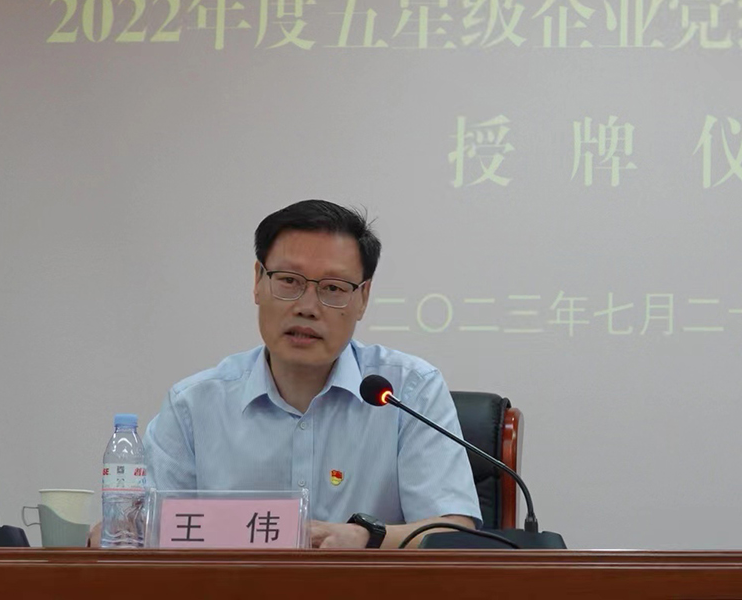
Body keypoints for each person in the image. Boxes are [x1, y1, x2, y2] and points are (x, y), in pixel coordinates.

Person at [90, 200, 480, 548]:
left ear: (362, 298)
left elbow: (452, 533)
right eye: (289, 282)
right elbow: (138, 534)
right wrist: (118, 530)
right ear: (258, 282)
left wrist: (367, 537)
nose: (307, 307)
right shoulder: (194, 405)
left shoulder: (409, 390)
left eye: (333, 288)